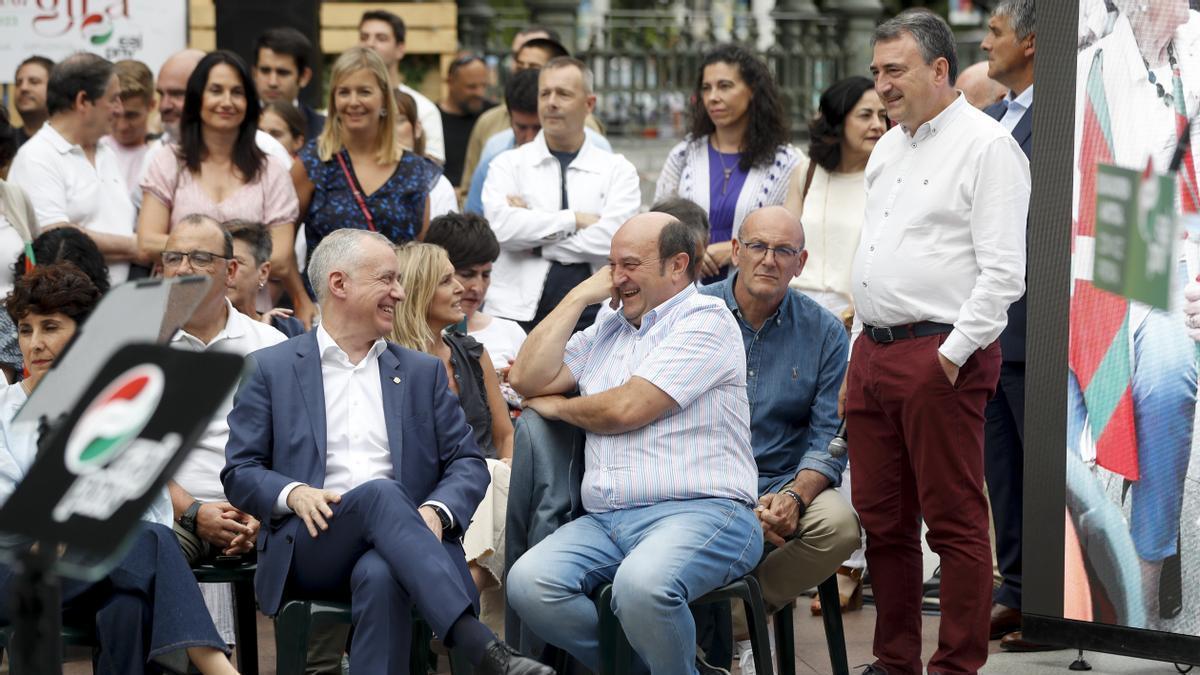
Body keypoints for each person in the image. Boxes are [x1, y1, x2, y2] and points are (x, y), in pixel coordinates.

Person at [222, 228, 550, 675]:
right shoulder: (272, 368)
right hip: (314, 541)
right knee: (381, 494)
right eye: (387, 280)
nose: (400, 292)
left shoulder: (421, 372)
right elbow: (240, 471)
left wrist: (436, 511)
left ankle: (480, 648)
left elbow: (467, 463)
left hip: (409, 538)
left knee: (380, 572)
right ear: (340, 284)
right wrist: (294, 492)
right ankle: (478, 644)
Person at [845, 11, 1029, 674]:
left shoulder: (988, 146)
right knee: (884, 523)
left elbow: (1005, 271)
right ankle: (894, 662)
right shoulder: (890, 145)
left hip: (939, 354)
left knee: (952, 524)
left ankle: (956, 666)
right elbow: (879, 249)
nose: (883, 86)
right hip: (874, 352)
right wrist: (860, 349)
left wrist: (947, 357)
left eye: (895, 71)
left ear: (940, 69)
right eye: (877, 72)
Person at [505, 212, 761, 675]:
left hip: (704, 511)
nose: (616, 279)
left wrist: (562, 409)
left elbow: (628, 408)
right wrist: (580, 295)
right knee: (528, 582)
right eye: (611, 266)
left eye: (629, 265)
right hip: (606, 522)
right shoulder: (609, 323)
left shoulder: (706, 319)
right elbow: (526, 379)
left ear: (676, 265)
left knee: (641, 587)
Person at [0, 262, 238, 675]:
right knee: (150, 545)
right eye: (26, 330)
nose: (34, 343)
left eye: (50, 327)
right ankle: (215, 666)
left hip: (98, 569)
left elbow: (152, 512)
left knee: (127, 609)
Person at [1072, 0, 1197, 630]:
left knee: (1170, 375)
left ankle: (1147, 580)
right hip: (1082, 257)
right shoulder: (1089, 62)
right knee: (1065, 434)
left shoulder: (1192, 58)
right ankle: (1077, 591)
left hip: (1156, 245)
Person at [698, 206, 860, 673]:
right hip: (705, 484)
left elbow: (829, 436)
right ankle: (723, 622)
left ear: (801, 262)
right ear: (735, 251)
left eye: (784, 251)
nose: (769, 260)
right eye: (758, 247)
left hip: (785, 482)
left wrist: (792, 495)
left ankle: (731, 617)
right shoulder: (694, 314)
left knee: (841, 528)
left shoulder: (824, 331)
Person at [162, 214, 286, 647]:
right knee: (147, 556)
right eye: (173, 257)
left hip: (259, 513)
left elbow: (291, 448)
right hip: (172, 515)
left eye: (199, 258)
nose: (182, 269)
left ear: (231, 270)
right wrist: (195, 512)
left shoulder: (270, 346)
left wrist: (262, 511)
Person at [390, 242, 514, 632]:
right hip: (422, 494)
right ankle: (466, 620)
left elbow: (504, 433)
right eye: (447, 280)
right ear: (418, 290)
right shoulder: (386, 359)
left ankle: (444, 598)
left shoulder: (474, 353)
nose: (462, 288)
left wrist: (502, 473)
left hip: (485, 490)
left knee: (496, 471)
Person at [137, 51, 301, 326]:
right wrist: (226, 255)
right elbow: (146, 242)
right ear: (197, 98)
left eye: (237, 92)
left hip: (250, 318)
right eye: (216, 90)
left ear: (249, 102)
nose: (227, 102)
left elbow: (282, 255)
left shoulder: (270, 170)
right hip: (175, 313)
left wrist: (192, 252)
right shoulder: (168, 161)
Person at [482, 57, 640, 332]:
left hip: (595, 316)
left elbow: (613, 241)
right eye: (545, 93)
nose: (551, 102)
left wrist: (536, 242)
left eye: (563, 94)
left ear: (589, 105)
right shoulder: (507, 164)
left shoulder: (617, 170)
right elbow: (501, 229)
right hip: (515, 314)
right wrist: (574, 219)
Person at [977, 0, 1041, 653]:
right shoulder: (991, 118)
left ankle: (1044, 605)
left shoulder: (1068, 120)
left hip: (1039, 328)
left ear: (1031, 41)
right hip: (988, 329)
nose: (985, 41)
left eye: (995, 31)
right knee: (1003, 471)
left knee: (1038, 470)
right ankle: (1015, 592)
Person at [654, 44, 801, 282]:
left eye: (725, 86)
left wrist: (734, 250)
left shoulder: (786, 163)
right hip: (684, 295)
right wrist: (696, 252)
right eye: (706, 88)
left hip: (753, 297)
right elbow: (657, 227)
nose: (713, 97)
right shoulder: (683, 155)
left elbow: (791, 239)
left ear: (752, 90)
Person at [9, 52, 142, 284]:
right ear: (83, 101)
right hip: (69, 307)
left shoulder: (106, 152)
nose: (119, 109)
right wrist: (136, 245)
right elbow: (55, 235)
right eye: (113, 99)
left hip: (116, 300)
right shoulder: (37, 156)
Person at [784, 76, 886, 324]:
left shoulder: (885, 178)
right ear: (838, 121)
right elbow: (784, 243)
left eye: (882, 115)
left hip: (852, 318)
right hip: (794, 313)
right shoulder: (806, 173)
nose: (877, 125)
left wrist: (856, 314)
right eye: (865, 115)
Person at [465, 68, 612, 216]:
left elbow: (607, 227)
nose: (530, 138)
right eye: (521, 127)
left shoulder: (599, 150)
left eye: (538, 128)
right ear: (509, 119)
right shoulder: (494, 157)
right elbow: (473, 228)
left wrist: (522, 219)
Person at [423, 213, 527, 373]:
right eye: (466, 274)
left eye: (486, 275)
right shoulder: (408, 336)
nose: (478, 288)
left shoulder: (511, 332)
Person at [154, 49, 292, 165]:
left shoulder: (268, 153)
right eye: (216, 91)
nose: (226, 102)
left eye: (177, 94)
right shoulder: (160, 157)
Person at [461, 28, 560, 186]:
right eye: (519, 64)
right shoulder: (491, 135)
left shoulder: (582, 131)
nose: (529, 138)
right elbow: (471, 196)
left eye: (534, 67)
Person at [359, 9, 445, 163]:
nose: (370, 44)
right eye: (364, 37)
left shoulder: (424, 109)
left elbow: (434, 169)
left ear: (400, 49)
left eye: (381, 38)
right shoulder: (346, 105)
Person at [225, 219, 305, 337]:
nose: (226, 271)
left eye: (237, 263)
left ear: (263, 272)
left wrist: (265, 334)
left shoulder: (285, 330)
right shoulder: (194, 329)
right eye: (220, 262)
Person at [254, 26, 325, 140]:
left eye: (282, 73)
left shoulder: (324, 130)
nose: (272, 82)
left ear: (304, 77)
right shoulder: (236, 125)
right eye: (265, 71)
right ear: (255, 73)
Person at [396, 90, 458, 219]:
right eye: (383, 122)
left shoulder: (437, 184)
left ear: (417, 128)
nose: (390, 130)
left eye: (399, 120)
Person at [100, 59, 156, 197]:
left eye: (132, 115)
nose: (122, 126)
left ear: (152, 105)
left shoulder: (161, 153)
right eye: (115, 114)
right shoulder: (89, 149)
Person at [440, 55, 496, 187]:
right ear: (450, 82)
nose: (480, 93)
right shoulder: (433, 119)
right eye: (472, 87)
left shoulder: (494, 116)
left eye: (484, 85)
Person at [13, 56, 53, 146]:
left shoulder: (75, 143)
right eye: (18, 83)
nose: (23, 88)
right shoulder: (5, 145)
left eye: (34, 82)